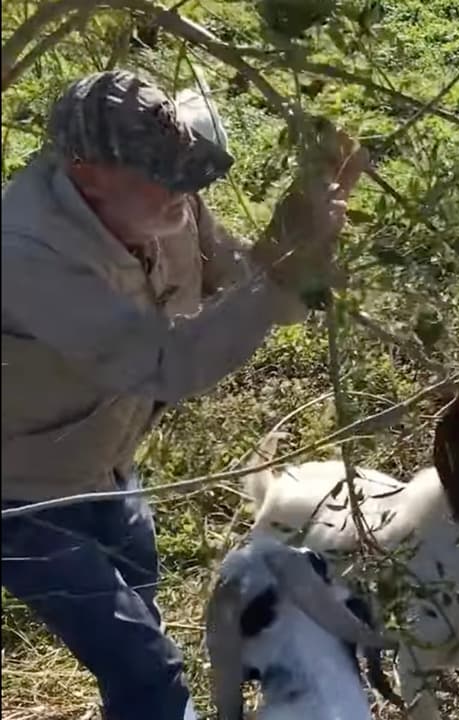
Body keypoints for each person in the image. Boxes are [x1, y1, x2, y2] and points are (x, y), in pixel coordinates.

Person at [1, 69, 366, 720]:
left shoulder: (171, 200)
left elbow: (247, 286)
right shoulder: (26, 252)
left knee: (139, 606)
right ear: (87, 174)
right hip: (19, 494)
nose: (183, 188)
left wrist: (298, 240)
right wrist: (284, 272)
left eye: (184, 168)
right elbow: (164, 363)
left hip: (106, 464)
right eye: (159, 173)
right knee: (149, 671)